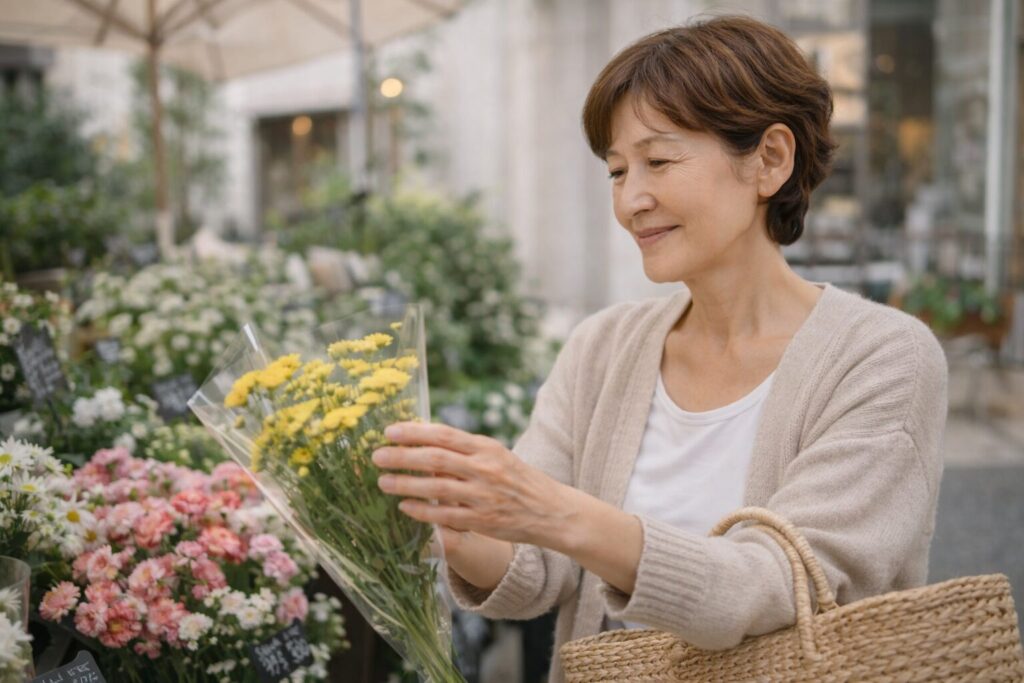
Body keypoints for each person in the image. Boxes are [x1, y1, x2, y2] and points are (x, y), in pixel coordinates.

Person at [371, 14, 948, 683]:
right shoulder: (602, 347)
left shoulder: (884, 358)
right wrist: (445, 521)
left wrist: (553, 509)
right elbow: (537, 570)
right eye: (617, 171)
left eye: (659, 160)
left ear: (770, 159)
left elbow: (775, 583)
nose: (631, 199)